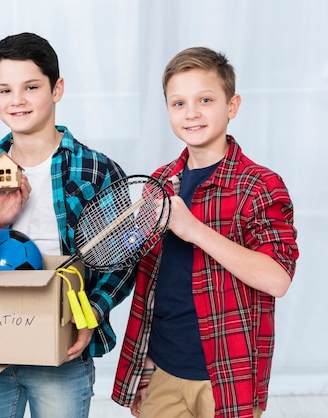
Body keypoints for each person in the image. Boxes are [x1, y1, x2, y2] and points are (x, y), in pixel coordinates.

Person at [112, 47, 299, 418]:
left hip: (227, 378)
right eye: (178, 103)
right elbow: (155, 285)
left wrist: (194, 229)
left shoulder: (259, 186)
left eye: (205, 100)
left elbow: (277, 279)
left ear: (232, 106)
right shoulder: (161, 183)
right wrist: (146, 366)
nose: (191, 113)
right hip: (164, 370)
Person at [0, 32, 134, 418]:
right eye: (4, 90)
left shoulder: (95, 170)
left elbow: (125, 255)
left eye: (31, 87)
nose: (17, 100)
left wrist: (90, 311)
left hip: (64, 345)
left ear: (57, 89)